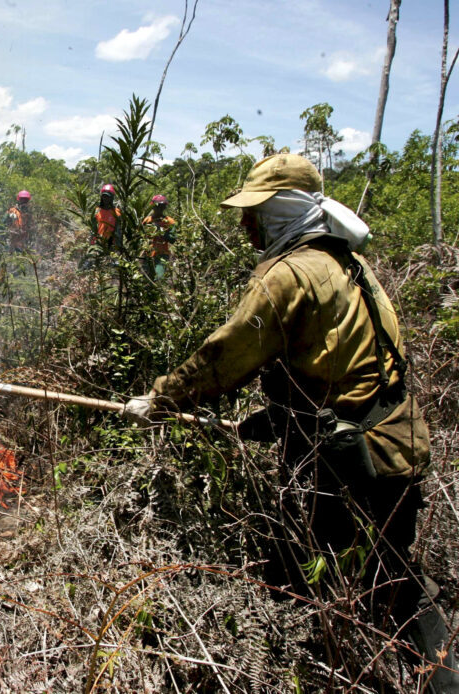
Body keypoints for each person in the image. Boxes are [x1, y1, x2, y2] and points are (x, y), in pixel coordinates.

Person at [122, 153, 457, 691]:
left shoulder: (287, 275)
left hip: (351, 459)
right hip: (397, 440)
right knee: (392, 577)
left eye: (253, 212)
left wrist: (160, 398)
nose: (244, 223)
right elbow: (345, 362)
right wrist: (274, 420)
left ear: (281, 211)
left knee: (334, 578)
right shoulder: (348, 261)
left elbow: (226, 354)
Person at [140, 194, 177, 279]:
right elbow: (141, 236)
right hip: (148, 255)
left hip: (162, 255)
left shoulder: (169, 222)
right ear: (153, 207)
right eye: (157, 206)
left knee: (158, 278)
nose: (159, 209)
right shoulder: (147, 221)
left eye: (162, 206)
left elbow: (173, 239)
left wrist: (163, 232)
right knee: (145, 279)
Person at [93, 183, 123, 253]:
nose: (105, 199)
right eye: (104, 196)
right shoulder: (97, 210)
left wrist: (118, 246)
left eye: (108, 197)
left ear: (112, 197)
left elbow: (118, 230)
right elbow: (93, 228)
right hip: (98, 243)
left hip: (111, 244)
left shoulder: (117, 212)